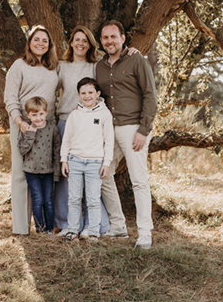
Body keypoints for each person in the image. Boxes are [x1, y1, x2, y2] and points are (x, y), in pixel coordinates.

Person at [96, 20, 158, 250]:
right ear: (101, 41)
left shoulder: (137, 60)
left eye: (113, 36)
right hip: (108, 129)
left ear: (123, 38)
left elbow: (150, 96)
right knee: (102, 173)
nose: (109, 41)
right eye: (105, 38)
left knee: (138, 181)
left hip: (133, 128)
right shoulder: (99, 66)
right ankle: (119, 225)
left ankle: (144, 234)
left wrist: (144, 130)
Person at [54, 25, 110, 236]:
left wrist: (134, 52)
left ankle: (95, 226)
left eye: (84, 40)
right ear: (71, 43)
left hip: (89, 124)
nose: (80, 43)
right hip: (65, 122)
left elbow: (102, 90)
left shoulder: (96, 66)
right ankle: (66, 223)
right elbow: (51, 90)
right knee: (66, 175)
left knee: (91, 177)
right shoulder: (61, 66)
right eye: (77, 39)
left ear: (90, 45)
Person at [4, 25, 59, 235]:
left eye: (45, 40)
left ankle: (44, 225)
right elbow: (9, 97)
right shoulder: (19, 66)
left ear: (49, 44)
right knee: (21, 172)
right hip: (24, 123)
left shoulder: (54, 67)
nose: (40, 44)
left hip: (47, 125)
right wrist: (20, 122)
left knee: (44, 172)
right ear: (29, 42)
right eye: (37, 39)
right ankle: (20, 227)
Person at [60, 77, 114, 242]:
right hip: (75, 161)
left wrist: (106, 163)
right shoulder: (75, 114)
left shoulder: (104, 113)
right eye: (83, 93)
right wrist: (64, 160)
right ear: (78, 95)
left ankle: (93, 232)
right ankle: (73, 230)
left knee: (92, 199)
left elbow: (109, 140)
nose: (87, 96)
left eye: (91, 92)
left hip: (95, 163)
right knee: (74, 198)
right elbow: (67, 139)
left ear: (97, 93)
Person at [17, 96, 61, 235]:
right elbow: (22, 149)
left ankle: (49, 230)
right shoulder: (26, 129)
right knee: (37, 200)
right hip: (32, 171)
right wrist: (30, 134)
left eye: (41, 114)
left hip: (48, 171)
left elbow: (56, 149)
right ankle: (40, 230)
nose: (38, 118)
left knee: (48, 201)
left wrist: (57, 171)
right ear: (27, 115)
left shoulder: (52, 127)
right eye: (34, 115)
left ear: (46, 112)